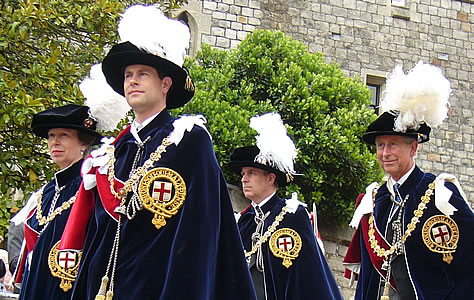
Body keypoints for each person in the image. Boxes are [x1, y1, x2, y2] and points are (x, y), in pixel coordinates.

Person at [57, 5, 256, 300]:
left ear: (165, 84)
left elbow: (200, 229)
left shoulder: (188, 141)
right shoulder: (114, 152)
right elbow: (99, 232)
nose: (132, 81)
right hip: (106, 287)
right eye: (128, 75)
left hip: (161, 286)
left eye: (143, 74)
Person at [343, 61, 474, 299]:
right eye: (380, 145)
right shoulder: (372, 201)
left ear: (413, 148)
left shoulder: (441, 195)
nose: (385, 153)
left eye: (393, 144)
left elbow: (469, 263)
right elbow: (368, 279)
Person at [229, 112, 343, 300]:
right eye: (243, 173)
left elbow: (306, 277)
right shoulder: (244, 220)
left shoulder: (291, 215)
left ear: (270, 178)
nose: (244, 179)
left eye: (252, 173)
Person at [13, 104, 102, 300]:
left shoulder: (91, 187)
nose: (55, 142)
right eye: (52, 136)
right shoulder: (44, 193)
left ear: (83, 143)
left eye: (64, 135)